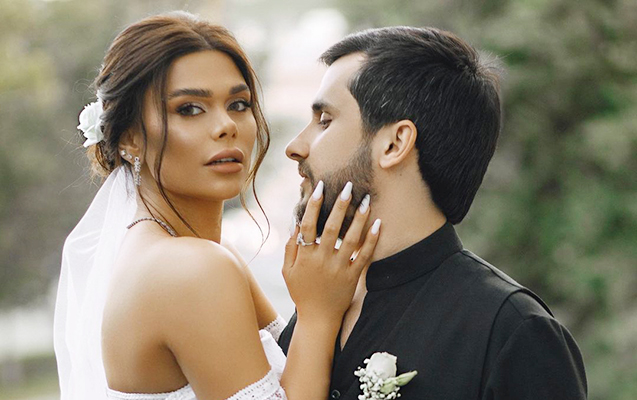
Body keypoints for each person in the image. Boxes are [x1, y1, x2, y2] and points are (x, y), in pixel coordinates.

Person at [53, 12, 382, 400]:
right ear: (130, 138)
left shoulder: (195, 255)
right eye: (189, 109)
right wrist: (317, 314)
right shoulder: (192, 267)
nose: (227, 126)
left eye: (239, 104)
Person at [279, 26, 588, 399]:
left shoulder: (511, 331)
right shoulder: (316, 307)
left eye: (325, 121)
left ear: (395, 144)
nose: (295, 147)